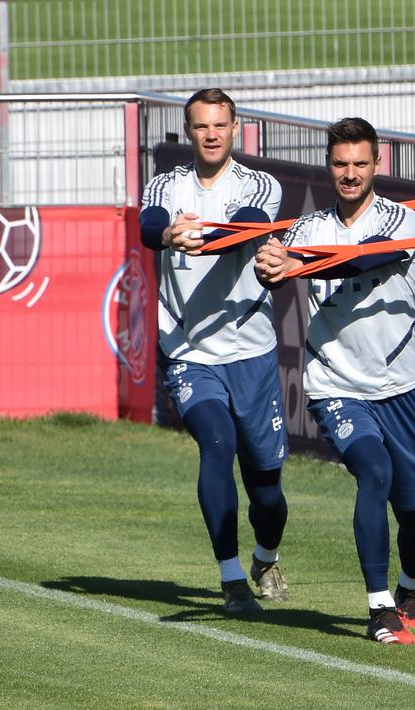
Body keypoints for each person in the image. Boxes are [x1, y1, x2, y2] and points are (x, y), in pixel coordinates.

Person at [254, 117, 415, 645]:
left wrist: (298, 264)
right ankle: (379, 607)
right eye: (340, 164)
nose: (350, 174)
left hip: (400, 386)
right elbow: (275, 265)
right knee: (372, 472)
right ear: (328, 165)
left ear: (378, 164)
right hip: (335, 384)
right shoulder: (308, 230)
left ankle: (410, 586)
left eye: (360, 163)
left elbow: (372, 255)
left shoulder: (408, 221)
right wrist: (272, 263)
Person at [139, 88, 291, 614]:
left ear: (234, 129)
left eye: (220, 125)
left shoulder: (260, 184)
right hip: (188, 351)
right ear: (190, 131)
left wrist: (200, 240)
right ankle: (231, 580)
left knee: (266, 488)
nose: (210, 134)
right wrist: (167, 237)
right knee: (216, 445)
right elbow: (148, 226)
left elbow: (249, 222)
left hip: (249, 349)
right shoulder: (165, 184)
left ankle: (265, 556)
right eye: (201, 126)